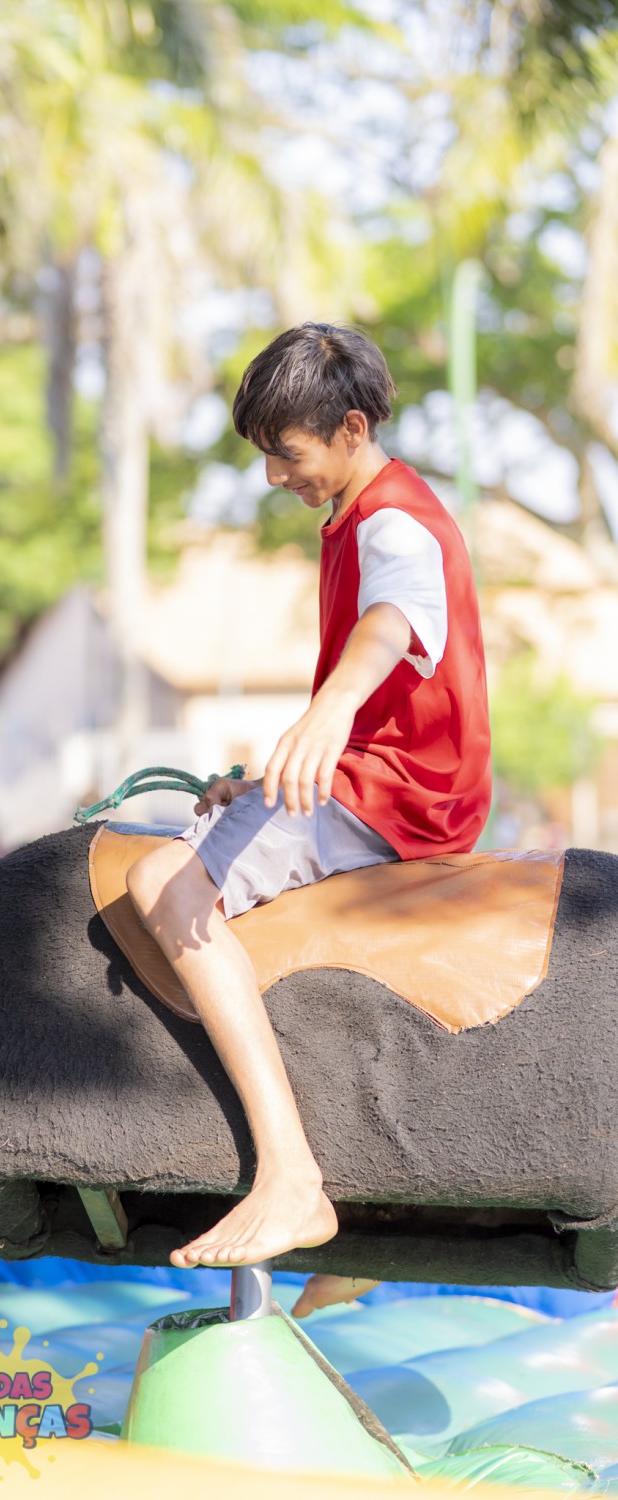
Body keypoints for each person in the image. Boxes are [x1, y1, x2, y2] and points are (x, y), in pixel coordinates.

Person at [126, 322, 492, 1315]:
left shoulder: (393, 522)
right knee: (210, 837)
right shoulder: (362, 515)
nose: (276, 476)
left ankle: (290, 1173)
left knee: (162, 882)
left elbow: (394, 621)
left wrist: (325, 717)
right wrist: (271, 775)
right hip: (383, 774)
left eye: (288, 454)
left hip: (398, 793)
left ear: (352, 429)